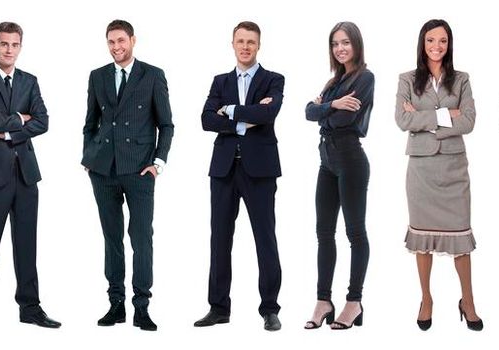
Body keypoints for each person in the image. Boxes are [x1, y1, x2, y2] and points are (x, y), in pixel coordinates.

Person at [0, 21, 61, 331]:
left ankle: (30, 307)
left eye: (14, 44)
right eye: (4, 44)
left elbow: (43, 121)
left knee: (26, 243)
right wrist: (20, 119)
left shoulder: (29, 81)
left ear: (20, 46)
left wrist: (5, 131)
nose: (9, 50)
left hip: (26, 174)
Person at [193, 21, 285, 332]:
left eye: (251, 42)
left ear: (259, 45)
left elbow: (268, 115)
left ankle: (270, 309)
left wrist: (229, 111)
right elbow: (206, 120)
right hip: (223, 170)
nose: (245, 46)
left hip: (260, 170)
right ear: (232, 44)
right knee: (219, 240)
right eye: (240, 41)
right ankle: (218, 307)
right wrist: (247, 116)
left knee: (265, 240)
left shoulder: (273, 79)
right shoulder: (219, 81)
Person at [83, 19, 173, 332]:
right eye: (111, 42)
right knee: (112, 239)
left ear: (132, 40)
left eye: (121, 41)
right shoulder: (98, 76)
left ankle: (142, 307)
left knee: (141, 238)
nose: (116, 47)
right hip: (103, 170)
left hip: (139, 169)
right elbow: (90, 123)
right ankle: (116, 304)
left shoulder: (152, 75)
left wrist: (158, 163)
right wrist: (88, 158)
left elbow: (167, 125)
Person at [396, 19, 480, 332]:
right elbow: (401, 120)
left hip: (454, 169)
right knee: (422, 240)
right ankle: (426, 299)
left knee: (460, 238)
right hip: (421, 170)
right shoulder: (406, 79)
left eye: (442, 41)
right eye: (431, 40)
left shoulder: (461, 79)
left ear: (449, 44)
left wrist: (423, 118)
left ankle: (468, 301)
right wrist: (447, 114)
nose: (436, 46)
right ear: (422, 43)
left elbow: (469, 121)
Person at [303, 21, 374, 331]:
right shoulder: (335, 82)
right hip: (326, 161)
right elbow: (308, 111)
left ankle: (354, 301)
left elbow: (346, 118)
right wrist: (331, 104)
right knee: (323, 232)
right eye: (335, 44)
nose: (340, 48)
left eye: (345, 42)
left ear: (356, 45)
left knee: (355, 233)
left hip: (351, 160)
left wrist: (325, 112)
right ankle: (323, 300)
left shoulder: (365, 77)